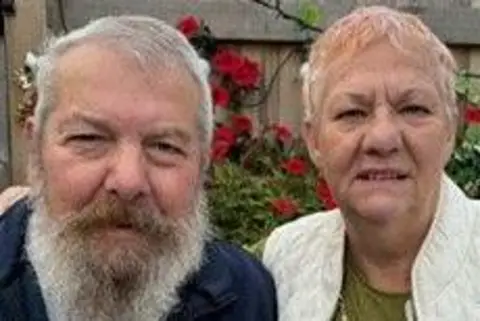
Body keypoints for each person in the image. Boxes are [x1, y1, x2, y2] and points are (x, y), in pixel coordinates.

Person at [0, 15, 277, 321]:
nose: (129, 181)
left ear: (202, 165)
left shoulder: (245, 295)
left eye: (164, 147)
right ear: (35, 149)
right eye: (89, 138)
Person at [263, 5, 480, 321]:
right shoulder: (278, 266)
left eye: (413, 109)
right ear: (314, 141)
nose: (382, 138)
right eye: (352, 113)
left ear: (450, 130)